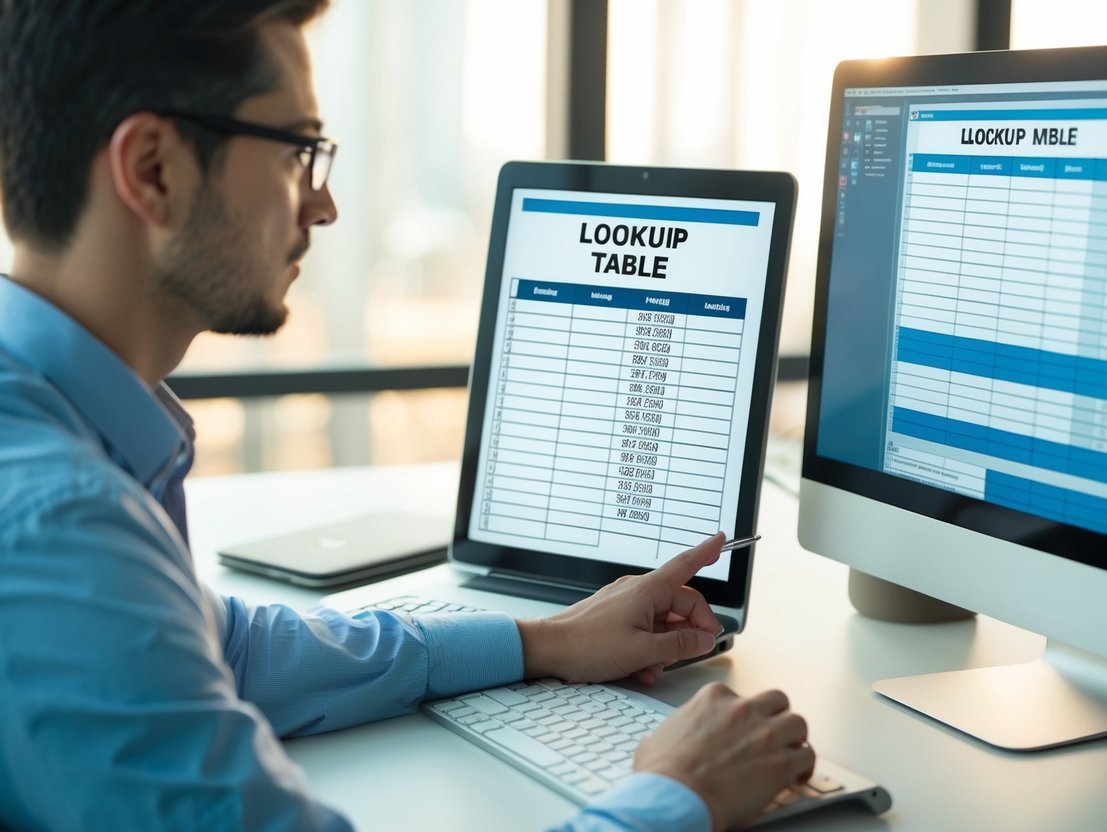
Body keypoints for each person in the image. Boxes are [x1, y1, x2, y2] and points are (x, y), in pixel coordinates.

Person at [0, 2, 816, 830]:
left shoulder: (48, 422)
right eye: (295, 154)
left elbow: (231, 650)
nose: (323, 206)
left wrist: (547, 642)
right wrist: (680, 795)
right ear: (153, 169)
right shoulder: (59, 526)